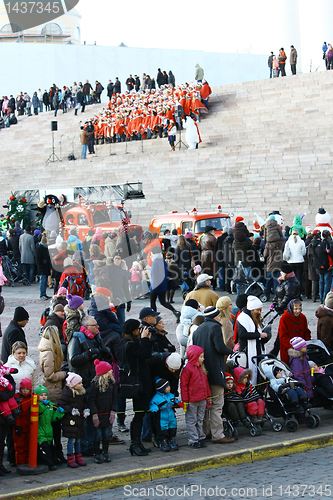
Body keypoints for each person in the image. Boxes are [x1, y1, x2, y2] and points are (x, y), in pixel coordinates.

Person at [192, 306, 234, 444]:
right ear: (216, 316)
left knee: (204, 405)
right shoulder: (215, 327)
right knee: (217, 405)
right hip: (216, 371)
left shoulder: (198, 329)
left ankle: (206, 431)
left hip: (203, 373)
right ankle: (218, 434)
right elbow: (220, 347)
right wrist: (230, 350)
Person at [121, 319, 152, 456]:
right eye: (139, 328)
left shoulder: (131, 343)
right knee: (138, 414)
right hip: (138, 384)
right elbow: (145, 354)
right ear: (134, 331)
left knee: (141, 412)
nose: (141, 330)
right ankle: (135, 443)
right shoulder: (129, 345)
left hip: (142, 381)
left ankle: (138, 442)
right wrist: (145, 340)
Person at [38, 326, 67, 464]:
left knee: (55, 425)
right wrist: (64, 373)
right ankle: (54, 453)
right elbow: (49, 375)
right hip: (53, 390)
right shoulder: (48, 352)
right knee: (54, 424)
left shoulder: (48, 350)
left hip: (54, 388)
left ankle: (56, 452)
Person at [67, 315, 111, 391]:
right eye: (95, 325)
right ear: (86, 327)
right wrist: (89, 354)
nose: (98, 327)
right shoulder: (77, 339)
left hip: (95, 378)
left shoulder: (97, 337)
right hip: (83, 381)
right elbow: (73, 360)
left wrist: (105, 352)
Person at [180, 345, 211, 448]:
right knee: (192, 420)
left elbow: (206, 384)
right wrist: (185, 400)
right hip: (192, 400)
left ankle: (200, 437)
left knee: (200, 419)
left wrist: (208, 397)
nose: (203, 359)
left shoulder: (201, 368)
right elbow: (183, 385)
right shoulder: (187, 369)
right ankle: (193, 439)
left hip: (202, 399)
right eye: (201, 357)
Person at [57, 373, 90, 468]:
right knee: (71, 440)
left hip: (79, 420)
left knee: (78, 439)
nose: (81, 385)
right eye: (79, 383)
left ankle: (78, 456)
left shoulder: (81, 393)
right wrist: (71, 410)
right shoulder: (67, 393)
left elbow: (84, 403)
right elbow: (61, 404)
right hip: (70, 421)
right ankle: (70, 457)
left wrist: (86, 409)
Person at [88, 359, 116, 463]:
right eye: (109, 370)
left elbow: (114, 398)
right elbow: (91, 400)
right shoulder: (95, 385)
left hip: (108, 413)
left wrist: (113, 411)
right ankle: (96, 452)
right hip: (99, 414)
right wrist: (94, 414)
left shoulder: (111, 384)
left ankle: (105, 452)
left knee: (106, 434)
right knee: (98, 435)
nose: (111, 371)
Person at [236, 296, 268, 384]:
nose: (259, 312)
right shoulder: (243, 318)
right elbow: (242, 335)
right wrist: (259, 335)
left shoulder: (255, 318)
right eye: (257, 310)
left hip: (257, 350)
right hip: (247, 351)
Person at [35, 384, 65, 471]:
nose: (44, 397)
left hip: (49, 431)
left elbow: (53, 418)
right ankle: (49, 463)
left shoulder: (50, 405)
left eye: (45, 395)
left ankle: (53, 459)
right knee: (45, 448)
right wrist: (44, 405)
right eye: (41, 395)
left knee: (51, 447)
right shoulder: (38, 405)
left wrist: (59, 413)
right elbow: (39, 411)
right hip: (40, 431)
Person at [149, 247, 180, 322]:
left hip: (155, 285)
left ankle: (155, 318)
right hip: (163, 285)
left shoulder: (155, 262)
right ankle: (175, 311)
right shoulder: (163, 260)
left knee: (152, 302)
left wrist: (153, 286)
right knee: (163, 302)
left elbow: (154, 275)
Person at [149, 377, 179, 453]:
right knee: (163, 430)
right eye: (167, 387)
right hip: (162, 417)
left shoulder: (171, 395)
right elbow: (152, 404)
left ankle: (172, 439)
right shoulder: (156, 398)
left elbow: (175, 400)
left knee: (173, 427)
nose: (170, 388)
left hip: (171, 415)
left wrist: (179, 403)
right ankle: (163, 441)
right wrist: (154, 409)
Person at [278, 299, 311, 366]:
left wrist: (305, 343)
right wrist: (293, 346)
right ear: (291, 308)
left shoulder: (303, 317)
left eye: (299, 309)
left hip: (301, 348)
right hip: (288, 349)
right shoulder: (284, 318)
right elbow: (283, 336)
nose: (297, 311)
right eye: (295, 309)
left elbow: (306, 332)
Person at [13, 378, 32, 465]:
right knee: (20, 446)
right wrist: (17, 426)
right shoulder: (17, 398)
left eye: (27, 389)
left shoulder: (32, 399)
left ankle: (29, 461)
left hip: (30, 425)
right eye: (23, 389)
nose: (25, 391)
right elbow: (16, 415)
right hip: (19, 425)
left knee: (29, 445)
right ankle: (20, 463)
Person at [311, 230, 333, 303]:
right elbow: (329, 253)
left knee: (321, 281)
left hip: (317, 265)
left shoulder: (313, 245)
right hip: (326, 265)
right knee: (327, 282)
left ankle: (321, 298)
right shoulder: (325, 244)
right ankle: (324, 298)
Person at [35, 233, 52, 300]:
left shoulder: (45, 248)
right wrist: (40, 267)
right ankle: (42, 294)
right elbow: (37, 259)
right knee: (43, 281)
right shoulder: (39, 248)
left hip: (45, 267)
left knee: (45, 282)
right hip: (42, 267)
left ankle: (44, 293)